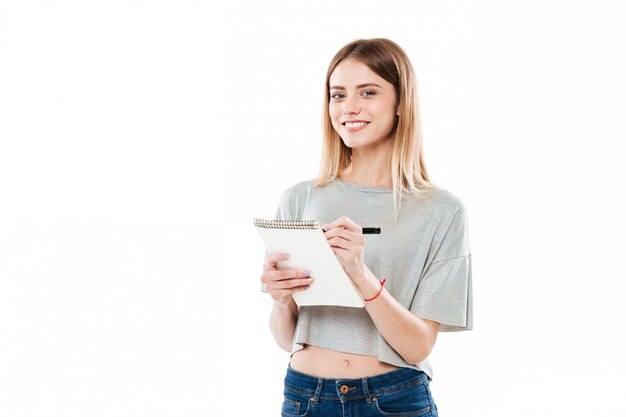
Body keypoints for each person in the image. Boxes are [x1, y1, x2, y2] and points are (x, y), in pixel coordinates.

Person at [260, 38, 472, 417]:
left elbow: (418, 346)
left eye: (368, 92)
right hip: (305, 398)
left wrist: (360, 273)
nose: (349, 108)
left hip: (394, 400)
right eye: (338, 95)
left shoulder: (442, 211)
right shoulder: (299, 200)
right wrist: (280, 300)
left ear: (401, 103)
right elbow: (286, 339)